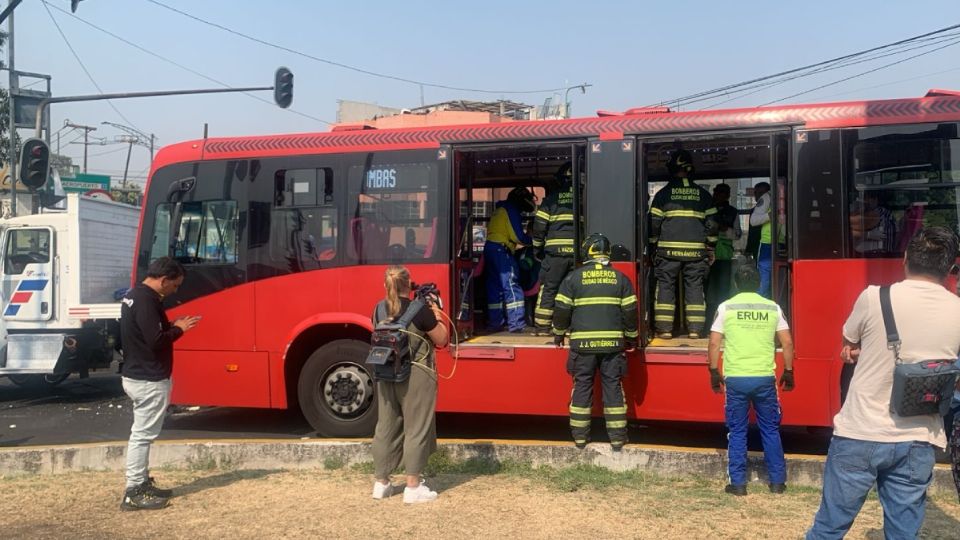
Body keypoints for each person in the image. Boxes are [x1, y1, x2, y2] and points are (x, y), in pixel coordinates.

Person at [806, 227, 960, 539]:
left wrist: (856, 349)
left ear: (905, 259)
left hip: (860, 432)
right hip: (919, 437)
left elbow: (849, 337)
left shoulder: (874, 296)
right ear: (950, 269)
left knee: (829, 527)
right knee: (904, 533)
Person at [119, 257, 200, 511]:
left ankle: (141, 482)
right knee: (142, 436)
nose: (175, 291)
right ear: (163, 280)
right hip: (148, 378)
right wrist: (179, 328)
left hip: (138, 373)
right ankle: (134, 491)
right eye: (174, 285)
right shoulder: (146, 300)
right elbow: (156, 340)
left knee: (142, 434)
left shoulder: (134, 295)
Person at [708, 265, 794, 496]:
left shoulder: (726, 307)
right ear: (759, 284)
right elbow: (786, 342)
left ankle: (738, 485)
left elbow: (715, 343)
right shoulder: (773, 308)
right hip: (765, 378)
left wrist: (714, 372)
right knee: (770, 429)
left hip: (736, 378)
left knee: (737, 431)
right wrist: (788, 371)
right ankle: (777, 483)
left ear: (736, 284)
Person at [552, 233, 639, 450]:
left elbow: (562, 311)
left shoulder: (573, 278)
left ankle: (580, 438)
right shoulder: (621, 279)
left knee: (582, 386)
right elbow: (630, 312)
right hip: (612, 347)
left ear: (587, 251)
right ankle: (618, 438)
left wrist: (558, 334)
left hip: (582, 347)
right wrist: (631, 337)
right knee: (613, 388)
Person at [371, 266, 449, 504]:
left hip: (385, 372)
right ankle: (413, 487)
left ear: (387, 286)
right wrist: (436, 313)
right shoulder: (420, 310)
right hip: (416, 374)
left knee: (385, 426)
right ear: (409, 285)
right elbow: (443, 339)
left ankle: (381, 483)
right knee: (416, 428)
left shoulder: (378, 308)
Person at [649, 149, 718, 339]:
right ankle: (695, 330)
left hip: (668, 252)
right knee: (695, 288)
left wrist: (653, 245)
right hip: (696, 253)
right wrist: (711, 246)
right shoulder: (703, 195)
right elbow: (712, 224)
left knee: (665, 286)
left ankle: (665, 329)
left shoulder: (663, 194)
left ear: (671, 169)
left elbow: (654, 223)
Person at [531, 162, 576, 331]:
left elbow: (539, 226)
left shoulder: (551, 200)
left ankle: (542, 328)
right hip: (577, 255)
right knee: (571, 292)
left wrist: (537, 249)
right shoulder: (584, 199)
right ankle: (569, 327)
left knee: (549, 289)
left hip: (554, 255)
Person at [483, 187, 536, 332]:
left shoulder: (499, 209)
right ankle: (517, 324)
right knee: (511, 285)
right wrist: (533, 241)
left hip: (490, 250)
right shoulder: (511, 209)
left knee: (495, 287)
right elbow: (517, 236)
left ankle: (495, 323)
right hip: (502, 251)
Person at [705, 183, 742, 325]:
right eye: (717, 192)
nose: (718, 195)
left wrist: (724, 229)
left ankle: (721, 322)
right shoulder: (707, 208)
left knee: (722, 292)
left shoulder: (732, 212)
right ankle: (708, 323)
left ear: (727, 195)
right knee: (706, 291)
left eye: (722, 193)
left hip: (724, 257)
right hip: (706, 256)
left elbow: (737, 235)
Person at [849, 191, 897, 256]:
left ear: (875, 200)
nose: (865, 202)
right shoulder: (886, 213)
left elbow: (845, 231)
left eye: (866, 199)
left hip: (877, 255)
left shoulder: (875, 215)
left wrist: (867, 235)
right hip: (885, 254)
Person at [748, 182, 772, 298]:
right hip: (766, 243)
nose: (758, 196)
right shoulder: (768, 197)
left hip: (780, 243)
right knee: (764, 280)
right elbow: (754, 222)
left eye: (760, 193)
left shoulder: (776, 196)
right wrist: (770, 216)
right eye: (757, 193)